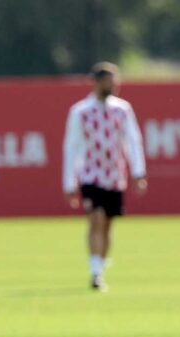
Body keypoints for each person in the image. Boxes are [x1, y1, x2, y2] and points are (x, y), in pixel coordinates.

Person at [62, 62, 147, 291]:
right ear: (98, 82)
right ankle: (95, 272)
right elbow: (72, 146)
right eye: (110, 81)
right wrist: (69, 182)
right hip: (90, 174)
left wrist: (139, 173)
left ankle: (100, 265)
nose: (115, 85)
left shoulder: (122, 110)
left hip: (114, 175)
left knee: (107, 224)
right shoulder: (81, 111)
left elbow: (133, 141)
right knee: (96, 218)